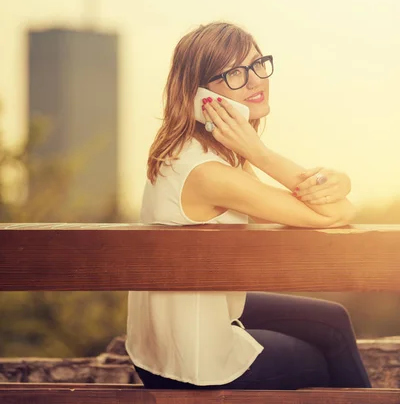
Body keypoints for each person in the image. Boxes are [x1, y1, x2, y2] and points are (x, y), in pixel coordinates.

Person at [126, 21, 371, 390]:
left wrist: (340, 181)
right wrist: (258, 152)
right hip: (193, 361)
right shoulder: (209, 173)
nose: (255, 80)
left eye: (258, 65)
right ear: (202, 93)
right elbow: (335, 214)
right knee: (320, 358)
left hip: (168, 336)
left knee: (332, 320)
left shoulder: (195, 151)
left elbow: (323, 204)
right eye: (236, 73)